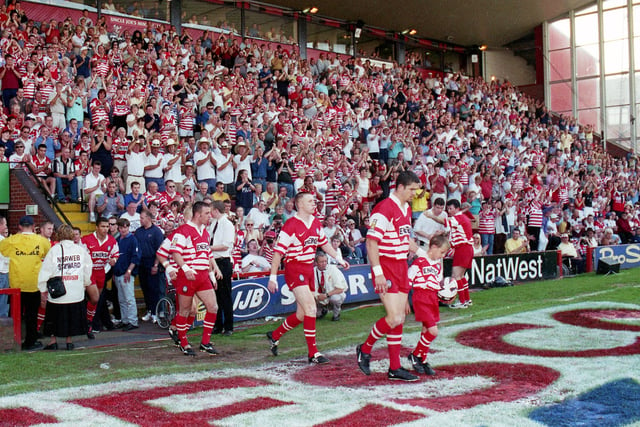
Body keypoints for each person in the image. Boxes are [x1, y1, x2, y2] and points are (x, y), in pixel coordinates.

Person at [266, 192, 349, 364]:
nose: (314, 203)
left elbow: (324, 244)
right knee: (311, 309)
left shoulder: (315, 222)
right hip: (295, 268)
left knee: (302, 314)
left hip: (309, 269)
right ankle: (313, 353)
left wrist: (339, 258)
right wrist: (272, 277)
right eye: (310, 201)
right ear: (300, 204)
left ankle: (274, 335)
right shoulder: (291, 225)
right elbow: (277, 253)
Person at [356, 170, 422, 382]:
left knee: (400, 318)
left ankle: (394, 367)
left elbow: (406, 239)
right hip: (386, 266)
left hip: (402, 265)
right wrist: (378, 273)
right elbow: (371, 242)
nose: (415, 193)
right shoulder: (384, 208)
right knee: (394, 317)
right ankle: (365, 349)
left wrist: (421, 254)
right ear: (400, 187)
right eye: (412, 189)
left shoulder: (406, 208)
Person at [170, 201, 223, 356]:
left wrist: (212, 274)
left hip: (202, 275)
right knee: (185, 310)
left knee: (213, 307)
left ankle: (205, 342)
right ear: (198, 214)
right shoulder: (183, 231)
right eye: (207, 213)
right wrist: (185, 268)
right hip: (187, 277)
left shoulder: (205, 232)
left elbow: (207, 254)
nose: (210, 216)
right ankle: (183, 343)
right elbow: (175, 252)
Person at [38, 224, 98, 350]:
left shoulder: (54, 250)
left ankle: (53, 341)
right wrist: (85, 282)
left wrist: (42, 288)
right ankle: (69, 341)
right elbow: (88, 268)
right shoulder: (80, 250)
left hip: (59, 292)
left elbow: (45, 271)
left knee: (54, 317)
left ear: (58, 235)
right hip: (76, 291)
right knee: (71, 317)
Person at [0, 216, 51, 350]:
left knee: (15, 314)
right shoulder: (41, 240)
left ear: (20, 227)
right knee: (31, 314)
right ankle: (30, 341)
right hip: (33, 283)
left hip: (16, 284)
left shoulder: (11, 240)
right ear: (34, 227)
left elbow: (3, 250)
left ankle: (12, 340)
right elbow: (47, 252)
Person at [407, 234, 450, 375]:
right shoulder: (419, 261)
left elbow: (437, 285)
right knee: (433, 331)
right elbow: (408, 281)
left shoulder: (437, 267)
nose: (442, 256)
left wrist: (446, 294)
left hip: (432, 299)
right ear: (433, 247)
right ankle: (415, 355)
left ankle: (422, 359)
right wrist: (405, 301)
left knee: (426, 330)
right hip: (421, 298)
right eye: (442, 252)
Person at [427, 199, 474, 309]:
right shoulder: (461, 218)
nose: (449, 210)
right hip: (465, 248)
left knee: (456, 276)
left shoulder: (458, 218)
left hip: (463, 248)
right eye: (448, 208)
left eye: (451, 208)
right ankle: (467, 299)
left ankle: (462, 301)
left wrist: (431, 216)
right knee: (461, 276)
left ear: (457, 208)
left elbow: (443, 221)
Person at [82, 217, 119, 338]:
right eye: (103, 226)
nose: (105, 229)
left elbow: (115, 254)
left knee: (95, 301)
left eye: (107, 226)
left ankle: (89, 322)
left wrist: (113, 260)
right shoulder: (86, 240)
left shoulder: (112, 241)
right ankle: (88, 322)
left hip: (101, 272)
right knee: (95, 298)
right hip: (89, 272)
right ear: (97, 227)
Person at [208, 201, 235, 336]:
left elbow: (225, 246)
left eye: (211, 210)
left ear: (216, 210)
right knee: (215, 295)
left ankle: (229, 326)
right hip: (213, 261)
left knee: (225, 295)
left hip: (223, 261)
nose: (210, 213)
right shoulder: (213, 224)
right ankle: (217, 325)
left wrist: (209, 248)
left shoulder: (227, 225)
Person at [134, 209, 164, 323]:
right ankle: (149, 310)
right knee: (145, 288)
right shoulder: (138, 231)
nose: (140, 220)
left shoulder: (156, 232)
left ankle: (155, 312)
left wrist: (156, 265)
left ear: (148, 218)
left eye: (142, 218)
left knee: (153, 288)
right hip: (141, 263)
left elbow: (159, 250)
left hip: (152, 261)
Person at [113, 218, 141, 331]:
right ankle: (125, 320)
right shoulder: (118, 239)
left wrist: (129, 271)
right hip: (119, 272)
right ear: (119, 228)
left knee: (129, 298)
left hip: (127, 273)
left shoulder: (133, 240)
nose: (124, 229)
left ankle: (133, 321)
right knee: (122, 299)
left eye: (126, 227)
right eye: (122, 227)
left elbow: (136, 257)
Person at [314, 252, 348, 321]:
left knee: (336, 298)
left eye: (325, 261)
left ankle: (336, 313)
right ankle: (321, 310)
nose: (324, 263)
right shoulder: (312, 271)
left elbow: (340, 289)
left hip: (332, 294)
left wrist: (326, 295)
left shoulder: (333, 269)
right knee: (309, 297)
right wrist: (317, 295)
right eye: (321, 262)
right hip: (319, 295)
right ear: (316, 263)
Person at [0, 216, 8, 318]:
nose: (6, 227)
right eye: (5, 224)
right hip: (2, 272)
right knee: (2, 301)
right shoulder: (2, 240)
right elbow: (7, 257)